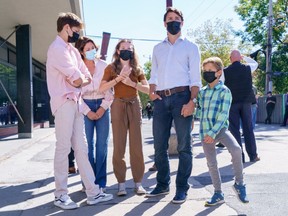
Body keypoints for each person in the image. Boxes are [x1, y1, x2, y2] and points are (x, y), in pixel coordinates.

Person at [46, 12, 112, 210]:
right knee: (64, 148)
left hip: (75, 101)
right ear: (67, 27)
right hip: (63, 102)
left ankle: (93, 192)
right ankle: (60, 195)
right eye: (75, 30)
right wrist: (78, 80)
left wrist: (78, 80)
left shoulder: (73, 52)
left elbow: (84, 78)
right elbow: (77, 79)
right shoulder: (57, 49)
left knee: (82, 149)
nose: (77, 34)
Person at [146, 7, 201, 204]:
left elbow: (195, 79)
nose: (173, 21)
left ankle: (181, 188)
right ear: (164, 23)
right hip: (161, 100)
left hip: (182, 97)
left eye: (176, 18)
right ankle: (162, 184)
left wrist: (192, 101)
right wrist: (152, 93)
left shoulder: (191, 47)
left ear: (182, 23)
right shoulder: (157, 48)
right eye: (170, 19)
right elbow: (153, 74)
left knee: (184, 146)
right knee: (159, 145)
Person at [99, 39, 149, 196]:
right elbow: (102, 88)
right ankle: (121, 184)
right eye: (124, 48)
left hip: (134, 104)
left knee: (136, 145)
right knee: (119, 145)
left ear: (133, 51)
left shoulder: (137, 69)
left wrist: (131, 83)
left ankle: (138, 183)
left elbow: (147, 90)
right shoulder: (111, 68)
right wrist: (119, 79)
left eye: (130, 48)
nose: (127, 50)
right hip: (118, 105)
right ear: (118, 51)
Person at [197, 57, 249, 206]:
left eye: (210, 71)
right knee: (211, 163)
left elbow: (223, 115)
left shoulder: (224, 91)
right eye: (204, 71)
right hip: (205, 132)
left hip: (219, 130)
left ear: (219, 72)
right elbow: (200, 113)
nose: (206, 73)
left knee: (236, 149)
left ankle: (239, 183)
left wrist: (212, 133)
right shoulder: (202, 92)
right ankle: (218, 193)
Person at [75, 36, 113, 192]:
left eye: (93, 48)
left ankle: (101, 183)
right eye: (87, 49)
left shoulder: (104, 66)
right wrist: (88, 111)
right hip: (85, 107)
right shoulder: (77, 68)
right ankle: (88, 183)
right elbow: (75, 93)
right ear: (81, 52)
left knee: (102, 146)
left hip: (103, 104)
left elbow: (110, 90)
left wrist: (103, 108)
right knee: (86, 147)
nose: (91, 51)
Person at [224, 50, 260, 163]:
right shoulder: (248, 67)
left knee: (234, 130)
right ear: (240, 58)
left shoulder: (225, 71)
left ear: (230, 59)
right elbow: (255, 64)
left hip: (232, 103)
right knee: (248, 129)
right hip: (246, 102)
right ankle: (253, 156)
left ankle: (239, 157)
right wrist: (244, 58)